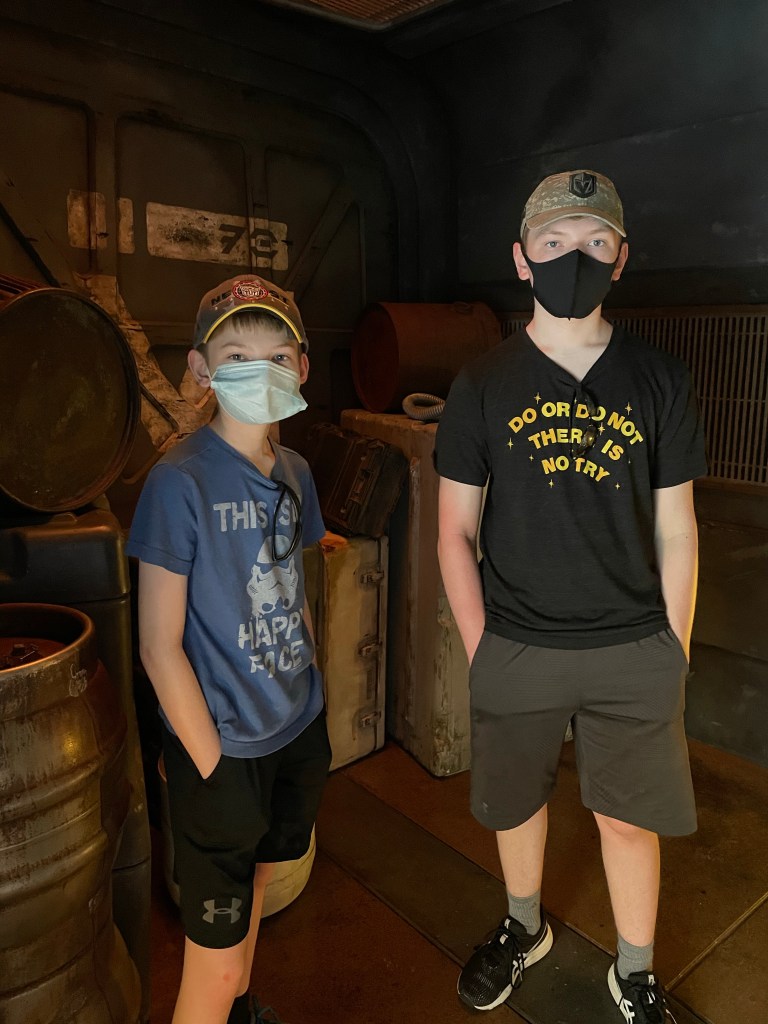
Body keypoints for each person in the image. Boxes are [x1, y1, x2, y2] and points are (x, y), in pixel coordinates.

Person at [435, 170, 707, 1024]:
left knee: (628, 820)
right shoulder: (482, 384)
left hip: (633, 643)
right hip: (518, 641)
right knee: (516, 805)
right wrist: (481, 648)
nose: (574, 257)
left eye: (594, 242)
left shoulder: (659, 380)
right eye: (554, 242)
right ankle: (525, 927)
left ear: (620, 258)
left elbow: (677, 527)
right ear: (522, 259)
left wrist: (675, 649)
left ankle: (636, 972)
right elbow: (453, 532)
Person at [127, 274, 331, 1024]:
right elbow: (158, 646)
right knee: (210, 969)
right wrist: (210, 763)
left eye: (276, 356)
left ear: (301, 368)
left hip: (295, 730)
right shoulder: (177, 482)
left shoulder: (297, 472)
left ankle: (242, 1012)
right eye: (236, 354)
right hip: (223, 752)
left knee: (258, 898)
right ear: (201, 368)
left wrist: (312, 697)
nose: (259, 370)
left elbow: (295, 586)